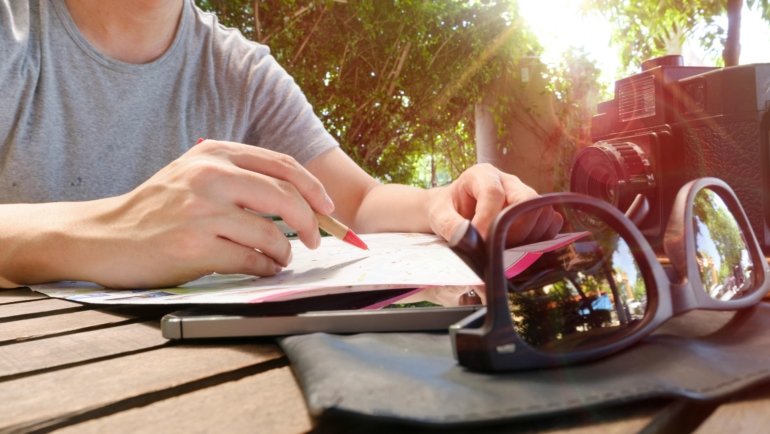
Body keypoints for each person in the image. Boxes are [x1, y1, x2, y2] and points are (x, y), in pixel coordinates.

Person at [0, 0, 561, 289]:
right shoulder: (15, 33)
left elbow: (355, 202)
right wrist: (113, 232)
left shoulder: (241, 72)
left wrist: (441, 203)